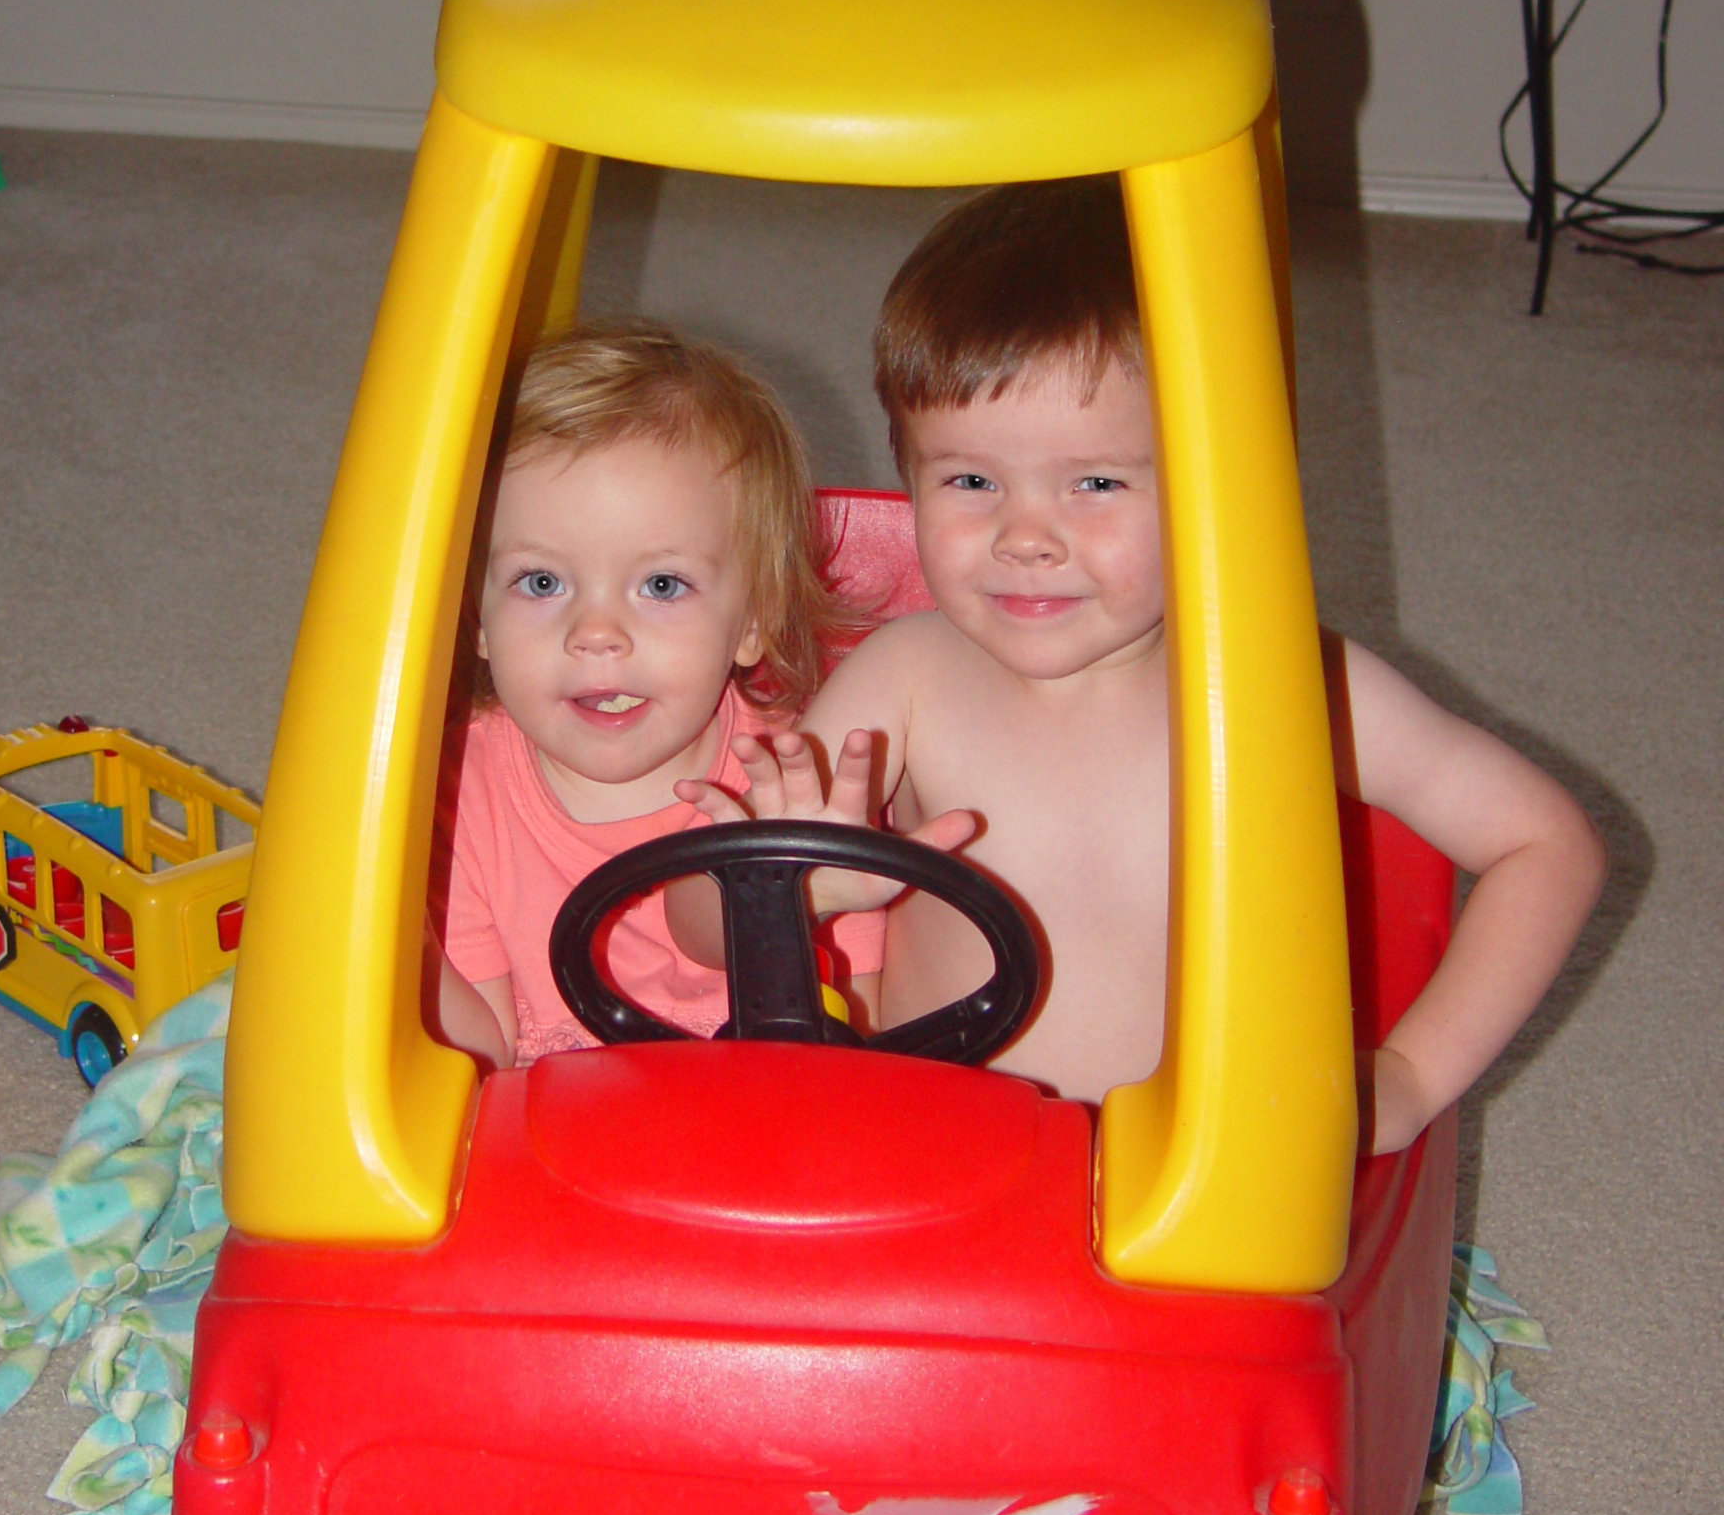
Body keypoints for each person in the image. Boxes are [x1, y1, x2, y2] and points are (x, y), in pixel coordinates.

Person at [384, 319, 936, 1515]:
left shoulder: (776, 772)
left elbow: (777, 964)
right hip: (545, 1222)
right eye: (539, 581)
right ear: (467, 616)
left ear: (759, 623)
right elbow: (457, 1014)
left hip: (766, 1241)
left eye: (662, 586)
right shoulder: (461, 778)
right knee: (417, 1506)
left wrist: (826, 862)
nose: (598, 635)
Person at [675, 175, 1607, 1159]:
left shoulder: (1287, 687)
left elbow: (1546, 844)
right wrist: (789, 883)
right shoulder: (901, 679)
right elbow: (698, 919)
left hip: (1201, 1191)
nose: (1025, 537)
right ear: (908, 474)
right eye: (972, 479)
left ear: (1219, 478)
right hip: (929, 1164)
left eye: (1096, 482)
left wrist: (1411, 1074)